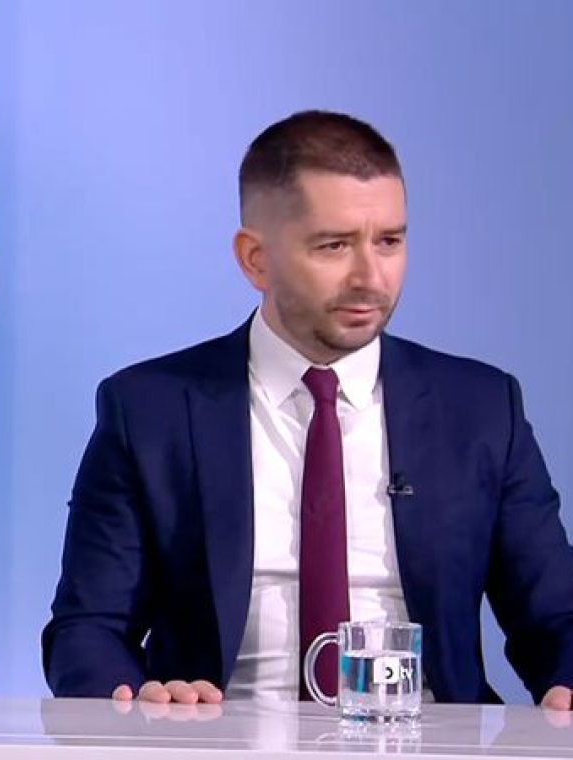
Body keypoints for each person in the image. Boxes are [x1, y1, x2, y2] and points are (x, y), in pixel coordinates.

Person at [43, 110, 573, 708]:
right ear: (255, 258)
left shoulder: (482, 409)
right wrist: (140, 702)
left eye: (390, 242)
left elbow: (556, 616)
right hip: (219, 739)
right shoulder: (148, 410)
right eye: (334, 245)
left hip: (428, 741)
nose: (370, 277)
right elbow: (87, 631)